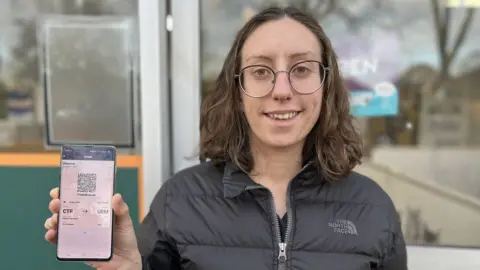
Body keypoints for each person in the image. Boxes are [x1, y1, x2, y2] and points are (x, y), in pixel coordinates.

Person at [44, 6, 407, 270]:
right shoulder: (179, 201)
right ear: (237, 90)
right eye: (261, 71)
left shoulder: (374, 209)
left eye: (301, 69)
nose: (282, 90)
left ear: (326, 86)